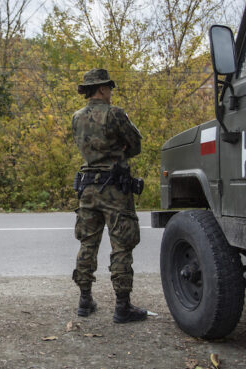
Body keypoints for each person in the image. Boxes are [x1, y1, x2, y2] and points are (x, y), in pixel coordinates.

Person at [71, 68, 148, 323]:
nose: (111, 92)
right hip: (115, 189)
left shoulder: (76, 117)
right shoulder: (114, 114)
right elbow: (135, 145)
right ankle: (122, 307)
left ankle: (84, 300)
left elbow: (84, 147)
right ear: (102, 88)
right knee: (121, 245)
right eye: (110, 88)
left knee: (87, 244)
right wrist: (120, 148)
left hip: (88, 189)